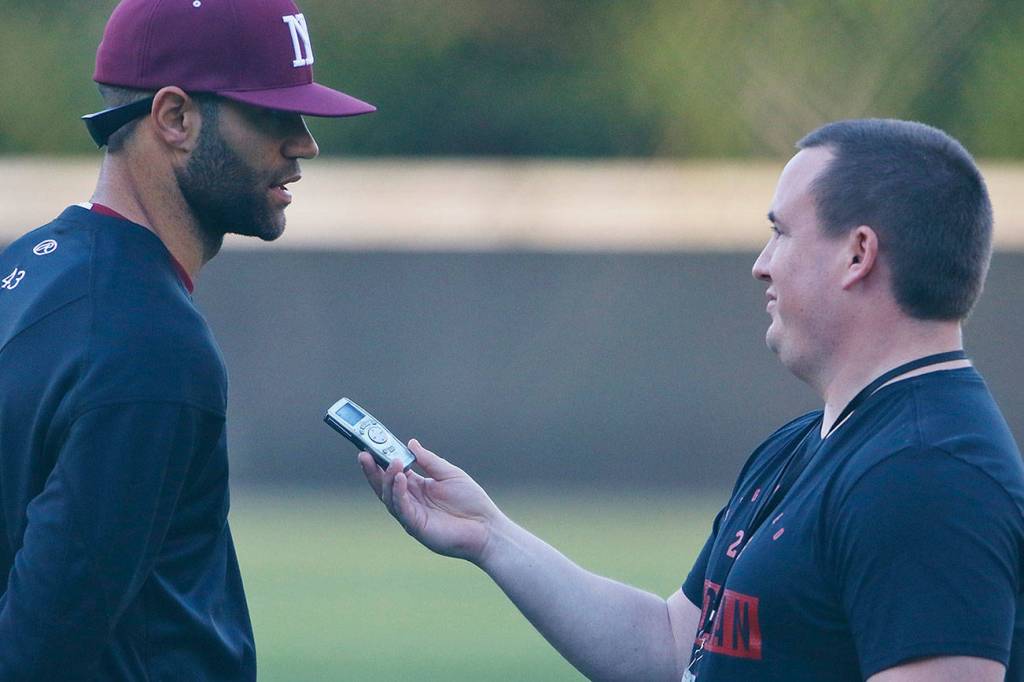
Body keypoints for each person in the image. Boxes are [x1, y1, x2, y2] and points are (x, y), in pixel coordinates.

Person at [360, 119, 1024, 681]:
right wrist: (491, 536)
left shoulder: (929, 473)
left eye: (783, 232)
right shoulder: (813, 443)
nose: (762, 263)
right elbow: (673, 642)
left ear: (857, 255)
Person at [0, 0, 373, 678]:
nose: (303, 142)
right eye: (270, 113)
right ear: (174, 117)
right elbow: (38, 654)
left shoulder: (24, 270)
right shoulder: (150, 343)